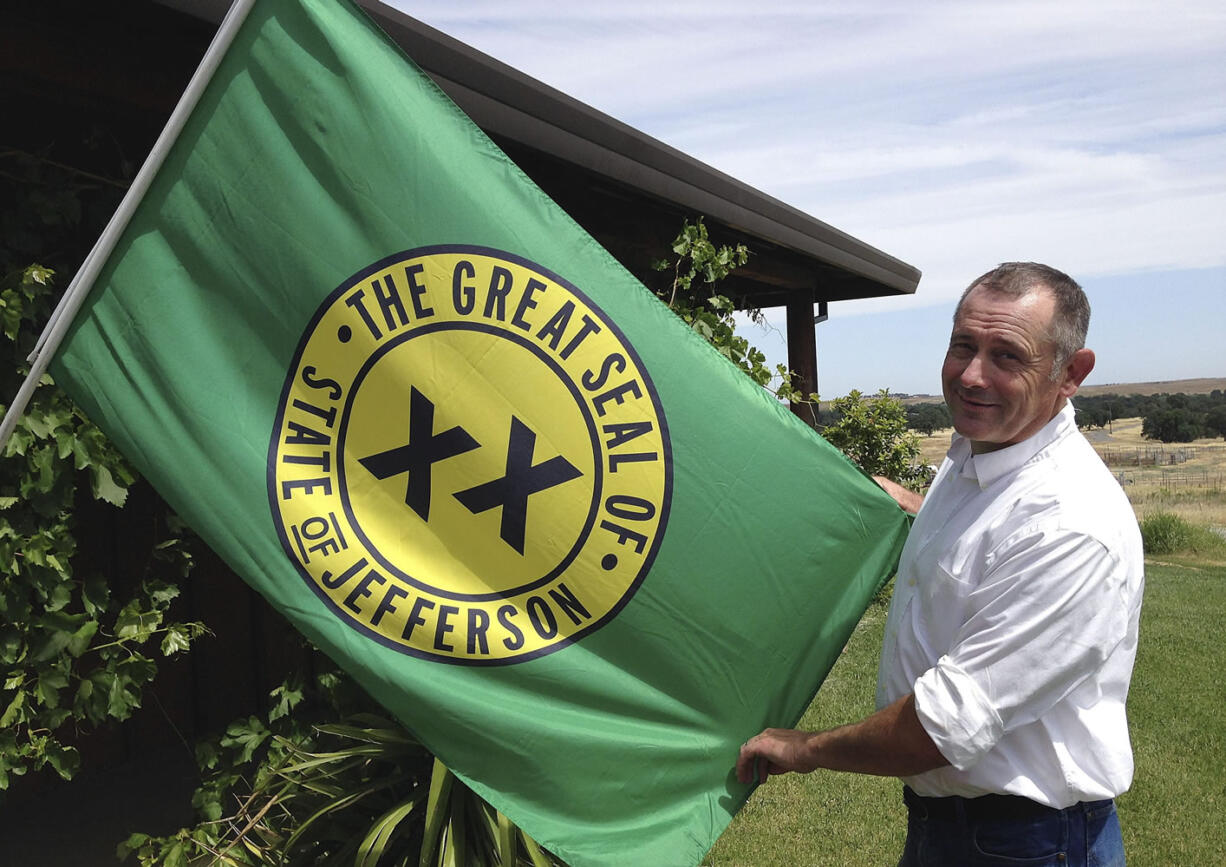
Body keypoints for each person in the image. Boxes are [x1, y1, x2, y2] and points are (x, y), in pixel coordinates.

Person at [736, 262, 1144, 866]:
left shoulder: (1071, 526)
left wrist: (805, 748)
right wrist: (904, 505)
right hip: (957, 829)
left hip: (1027, 845)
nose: (973, 375)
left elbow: (941, 726)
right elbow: (988, 537)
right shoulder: (982, 454)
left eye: (1008, 356)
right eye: (963, 345)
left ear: (1071, 374)